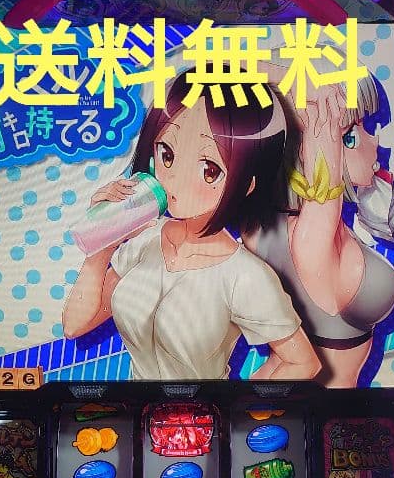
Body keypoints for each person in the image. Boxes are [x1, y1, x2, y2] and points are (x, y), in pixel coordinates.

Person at [62, 71, 321, 382]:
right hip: (135, 406)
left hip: (201, 411)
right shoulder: (145, 241)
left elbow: (303, 363)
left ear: (247, 184)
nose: (175, 179)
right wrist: (102, 239)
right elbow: (75, 325)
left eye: (209, 169)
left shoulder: (244, 276)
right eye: (167, 154)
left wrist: (234, 403)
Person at [243, 73, 394, 388]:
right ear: (306, 147)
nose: (374, 142)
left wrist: (276, 73)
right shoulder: (308, 238)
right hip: (319, 406)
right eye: (350, 135)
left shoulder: (263, 229)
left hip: (290, 393)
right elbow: (324, 188)